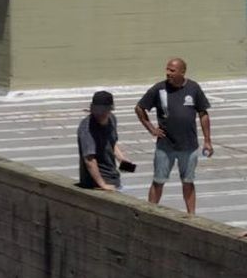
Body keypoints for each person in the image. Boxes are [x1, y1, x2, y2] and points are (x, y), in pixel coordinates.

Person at [135, 57, 213, 213]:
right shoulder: (159, 89)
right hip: (165, 146)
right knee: (158, 181)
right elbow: (139, 108)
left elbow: (203, 114)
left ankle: (191, 216)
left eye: (172, 70)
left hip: (189, 146)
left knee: (188, 182)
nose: (168, 73)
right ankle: (150, 212)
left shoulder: (193, 88)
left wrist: (207, 141)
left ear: (182, 72)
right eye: (167, 69)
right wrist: (151, 128)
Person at [77, 91, 131, 191]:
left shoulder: (112, 119)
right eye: (96, 110)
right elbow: (89, 160)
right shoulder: (87, 128)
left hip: (113, 178)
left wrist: (122, 160)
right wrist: (103, 185)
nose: (99, 114)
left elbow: (111, 143)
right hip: (94, 183)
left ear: (110, 109)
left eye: (103, 111)